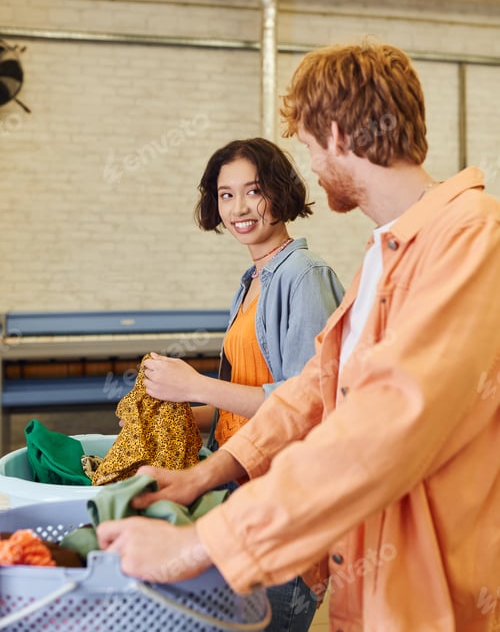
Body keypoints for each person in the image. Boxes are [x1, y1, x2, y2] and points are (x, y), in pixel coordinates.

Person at [97, 43, 500, 631]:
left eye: (309, 146)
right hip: (368, 574)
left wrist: (200, 545)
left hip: (433, 590)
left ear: (336, 135)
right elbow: (316, 388)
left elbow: (384, 425)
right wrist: (205, 476)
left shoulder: (469, 239)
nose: (309, 165)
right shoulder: (385, 251)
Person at [142, 137, 344, 631]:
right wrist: (182, 412)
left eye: (254, 191)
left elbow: (308, 402)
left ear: (281, 191)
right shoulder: (253, 279)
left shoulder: (305, 275)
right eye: (226, 194)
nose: (239, 208)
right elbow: (251, 395)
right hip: (236, 485)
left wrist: (196, 385)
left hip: (282, 500)